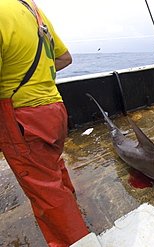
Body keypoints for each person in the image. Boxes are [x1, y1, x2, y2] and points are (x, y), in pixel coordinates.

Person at [0, 0, 89, 246]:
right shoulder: (31, 8)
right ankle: (71, 209)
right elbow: (64, 58)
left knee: (45, 191)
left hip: (21, 116)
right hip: (53, 108)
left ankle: (75, 239)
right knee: (53, 168)